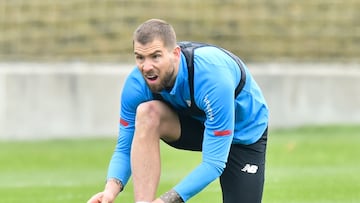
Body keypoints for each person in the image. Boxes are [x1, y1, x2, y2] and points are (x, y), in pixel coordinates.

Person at [87, 18, 269, 203]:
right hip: (197, 124)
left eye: (155, 56)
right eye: (140, 57)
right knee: (148, 113)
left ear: (175, 53)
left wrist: (165, 201)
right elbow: (125, 147)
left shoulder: (213, 79)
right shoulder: (136, 84)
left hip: (244, 134)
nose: (146, 67)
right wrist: (109, 192)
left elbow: (213, 163)